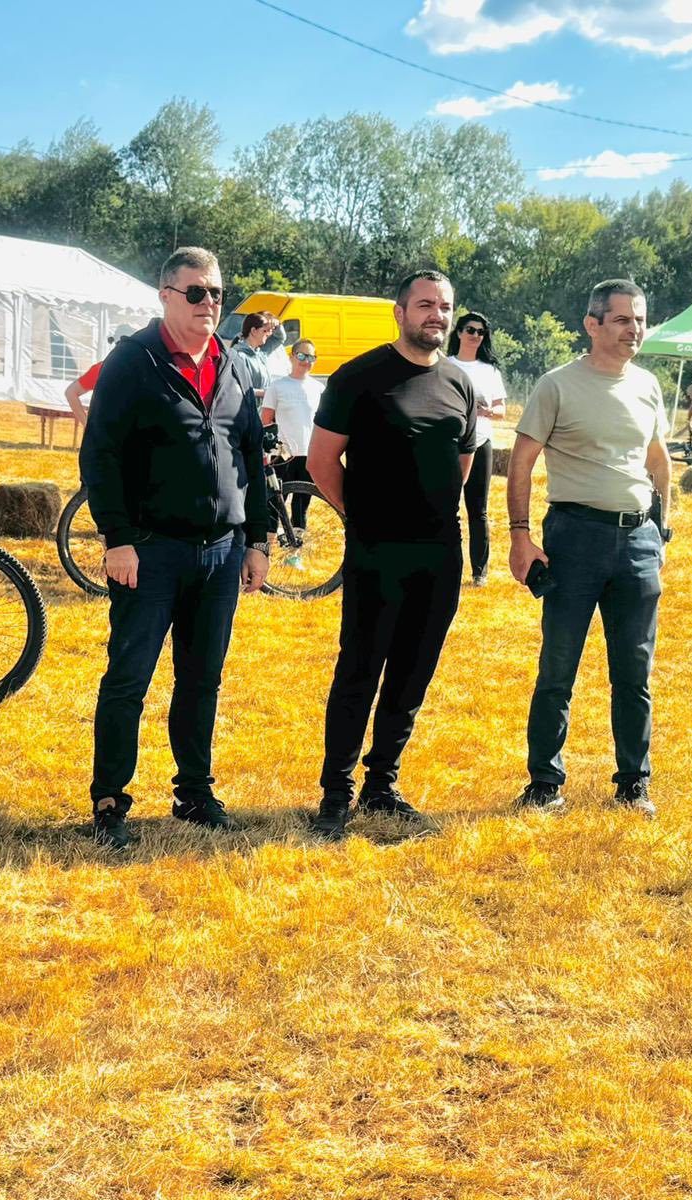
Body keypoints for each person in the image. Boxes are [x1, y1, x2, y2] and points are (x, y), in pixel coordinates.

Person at [78, 246, 270, 850]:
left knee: (202, 678)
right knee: (129, 678)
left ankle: (194, 791)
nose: (209, 302)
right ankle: (110, 799)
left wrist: (257, 539)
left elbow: (251, 458)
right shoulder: (133, 361)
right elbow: (100, 454)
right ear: (166, 296)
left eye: (216, 293)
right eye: (196, 292)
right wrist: (117, 538)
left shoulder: (233, 365)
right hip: (149, 550)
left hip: (221, 553)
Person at [307, 270, 475, 839]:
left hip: (440, 553)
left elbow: (461, 462)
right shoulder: (359, 377)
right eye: (424, 305)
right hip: (377, 551)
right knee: (360, 668)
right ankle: (336, 791)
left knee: (413, 670)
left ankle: (382, 783)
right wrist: (362, 515)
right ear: (400, 312)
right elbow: (321, 461)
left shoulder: (459, 383)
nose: (436, 315)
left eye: (444, 306)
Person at [507, 279, 672, 818]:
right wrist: (519, 535)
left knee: (634, 672)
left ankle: (633, 785)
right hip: (574, 538)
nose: (634, 330)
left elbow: (657, 459)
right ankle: (544, 784)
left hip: (638, 540)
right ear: (592, 324)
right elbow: (521, 462)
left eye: (640, 320)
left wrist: (662, 528)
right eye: (623, 320)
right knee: (558, 669)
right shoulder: (557, 385)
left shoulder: (648, 385)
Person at [443, 310, 508, 587]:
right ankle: (444, 566)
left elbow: (502, 410)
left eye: (481, 332)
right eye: (470, 330)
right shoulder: (444, 365)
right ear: (459, 333)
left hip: (480, 442)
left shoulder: (489, 370)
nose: (476, 336)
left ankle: (479, 572)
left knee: (478, 510)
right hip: (448, 443)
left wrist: (486, 411)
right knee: (444, 506)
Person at [262, 338, 322, 540]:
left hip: (308, 454)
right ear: (292, 357)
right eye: (302, 356)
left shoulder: (318, 388)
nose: (306, 361)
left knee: (302, 503)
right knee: (274, 502)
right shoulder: (277, 386)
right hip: (283, 454)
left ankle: (295, 548)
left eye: (311, 357)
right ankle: (268, 545)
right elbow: (266, 421)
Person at [63, 326, 137, 425]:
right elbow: (71, 392)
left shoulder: (103, 368)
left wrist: (87, 425)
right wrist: (87, 425)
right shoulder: (102, 369)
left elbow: (71, 392)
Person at [229, 311, 278, 405]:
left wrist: (276, 323)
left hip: (260, 409)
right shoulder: (239, 355)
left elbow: (280, 337)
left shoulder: (260, 354)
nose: (268, 334)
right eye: (265, 331)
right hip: (244, 410)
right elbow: (235, 388)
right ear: (253, 331)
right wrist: (262, 393)